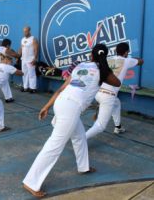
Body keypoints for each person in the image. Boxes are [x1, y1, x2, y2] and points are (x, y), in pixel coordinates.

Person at [22, 44, 121, 198]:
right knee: (54, 145)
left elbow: (61, 88)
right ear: (104, 56)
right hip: (71, 107)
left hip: (62, 101)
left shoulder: (80, 65)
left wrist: (47, 106)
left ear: (91, 55)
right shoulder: (103, 71)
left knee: (79, 136)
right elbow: (117, 83)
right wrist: (105, 67)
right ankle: (30, 182)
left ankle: (83, 167)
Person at [86, 42, 144, 139]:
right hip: (108, 96)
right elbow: (141, 61)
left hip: (98, 92)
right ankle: (81, 139)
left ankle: (118, 127)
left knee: (117, 103)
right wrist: (133, 59)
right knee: (100, 126)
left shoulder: (107, 59)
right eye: (127, 52)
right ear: (126, 52)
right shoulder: (127, 60)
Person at [19, 26, 39, 93]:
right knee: (24, 73)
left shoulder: (33, 39)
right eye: (24, 31)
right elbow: (21, 48)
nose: (25, 33)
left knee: (31, 74)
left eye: (26, 31)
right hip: (23, 59)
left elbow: (36, 49)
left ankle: (33, 88)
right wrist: (18, 56)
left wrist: (35, 58)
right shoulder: (22, 39)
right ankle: (25, 87)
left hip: (31, 59)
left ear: (29, 31)